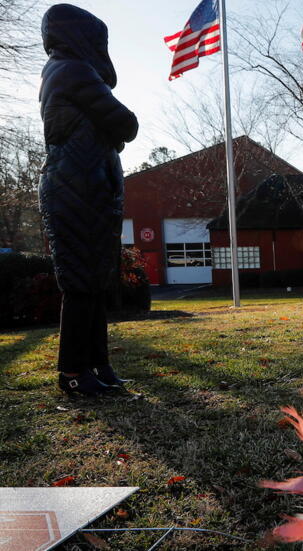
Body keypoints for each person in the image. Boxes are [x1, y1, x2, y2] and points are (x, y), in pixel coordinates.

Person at [38, 4, 138, 396]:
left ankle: (98, 366)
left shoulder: (63, 71)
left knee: (94, 284)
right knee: (82, 284)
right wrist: (113, 134)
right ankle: (73, 372)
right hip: (75, 188)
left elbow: (109, 130)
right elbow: (125, 123)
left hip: (85, 186)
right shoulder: (73, 70)